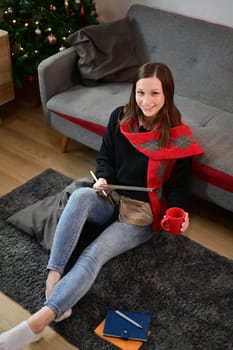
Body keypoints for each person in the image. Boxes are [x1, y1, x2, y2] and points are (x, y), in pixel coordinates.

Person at [0, 62, 203, 350]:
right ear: (133, 91)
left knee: (95, 252)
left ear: (167, 94)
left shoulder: (178, 138)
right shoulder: (119, 118)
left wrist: (180, 215)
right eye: (141, 92)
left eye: (155, 93)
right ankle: (53, 279)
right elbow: (105, 157)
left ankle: (36, 323)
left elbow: (178, 189)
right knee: (80, 196)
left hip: (141, 215)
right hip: (111, 196)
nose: (147, 101)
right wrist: (104, 177)